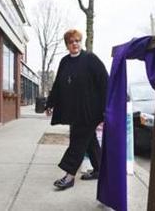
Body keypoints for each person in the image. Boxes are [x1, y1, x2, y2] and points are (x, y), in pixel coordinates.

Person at [45, 29, 108, 190]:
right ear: (67, 45)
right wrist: (50, 103)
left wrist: (106, 108)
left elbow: (104, 82)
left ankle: (69, 176)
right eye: (71, 42)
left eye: (77, 41)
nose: (75, 44)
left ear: (81, 42)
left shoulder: (90, 59)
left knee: (78, 141)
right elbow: (58, 84)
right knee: (89, 141)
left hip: (90, 111)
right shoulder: (65, 62)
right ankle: (100, 170)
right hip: (74, 111)